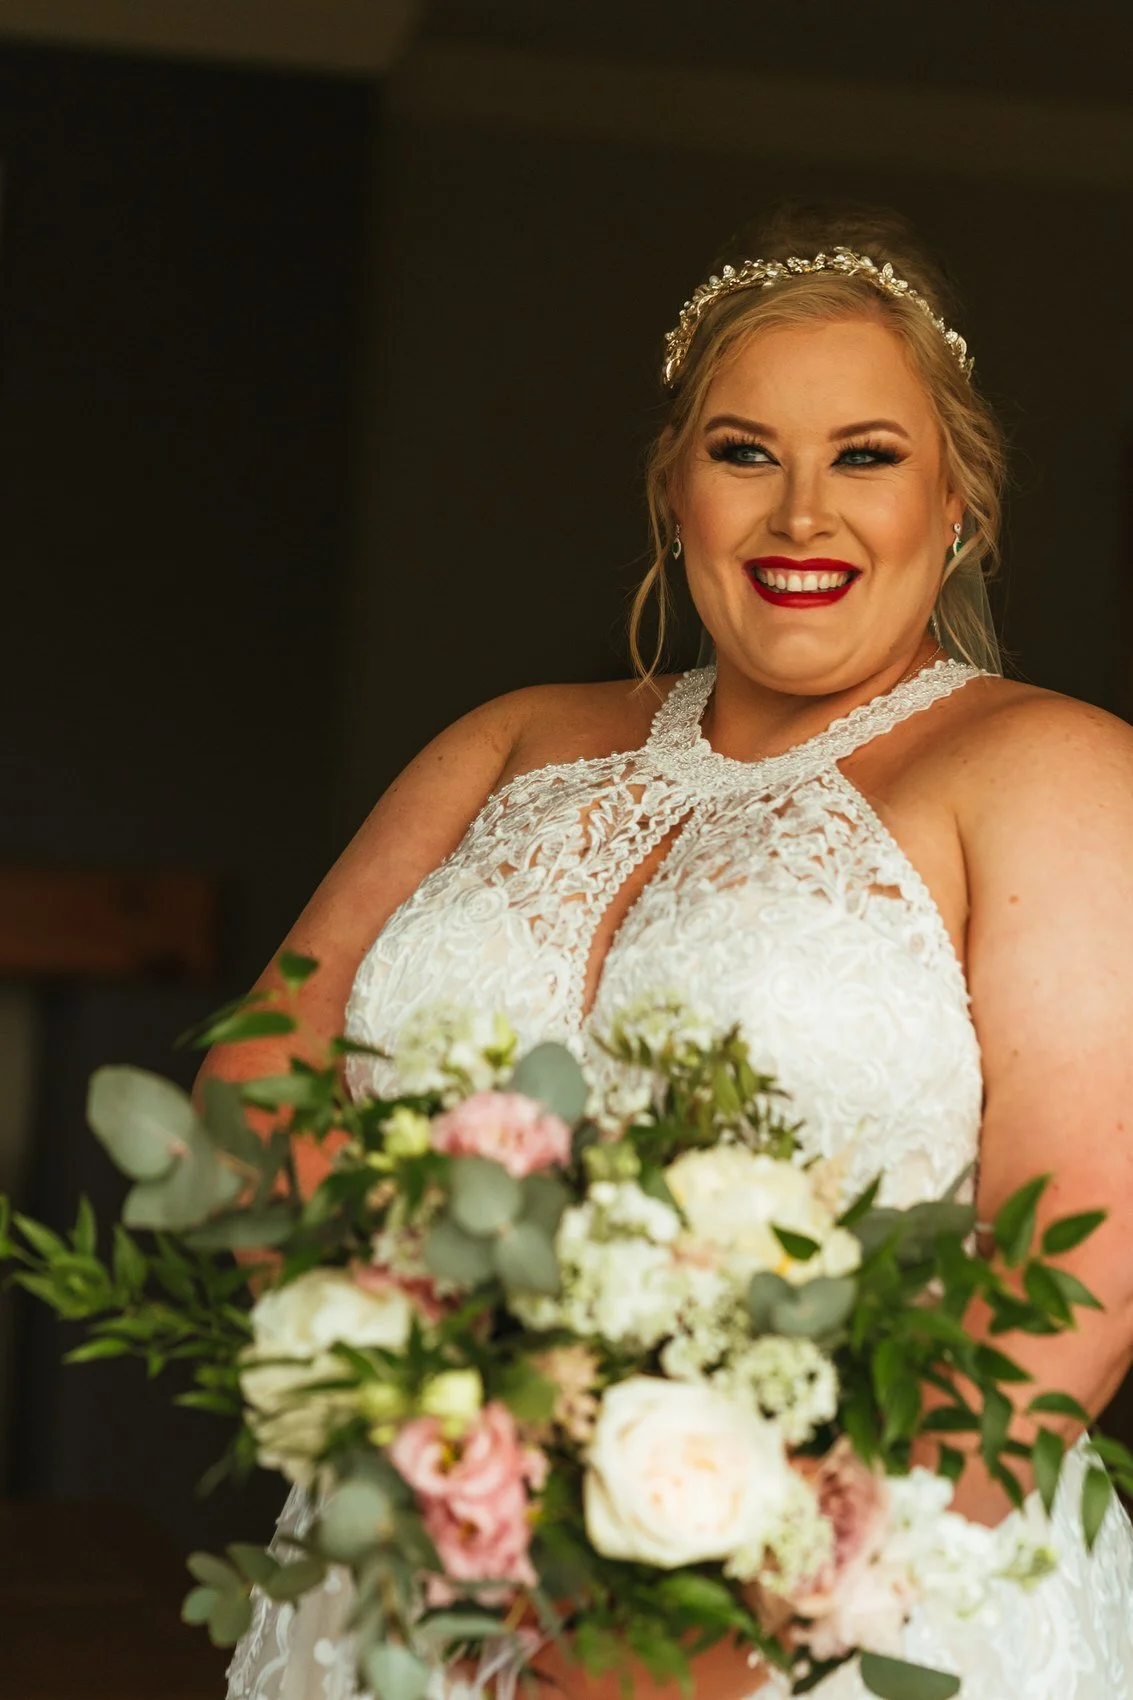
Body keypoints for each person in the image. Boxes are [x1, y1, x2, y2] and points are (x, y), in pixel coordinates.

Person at [216, 205, 1133, 1698]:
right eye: (744, 451)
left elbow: (1089, 1253)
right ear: (674, 488)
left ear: (959, 501)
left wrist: (755, 1624)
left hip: (847, 1612)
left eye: (867, 455)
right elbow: (264, 1059)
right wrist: (392, 1403)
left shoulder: (1048, 770)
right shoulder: (513, 739)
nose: (801, 515)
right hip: (409, 1574)